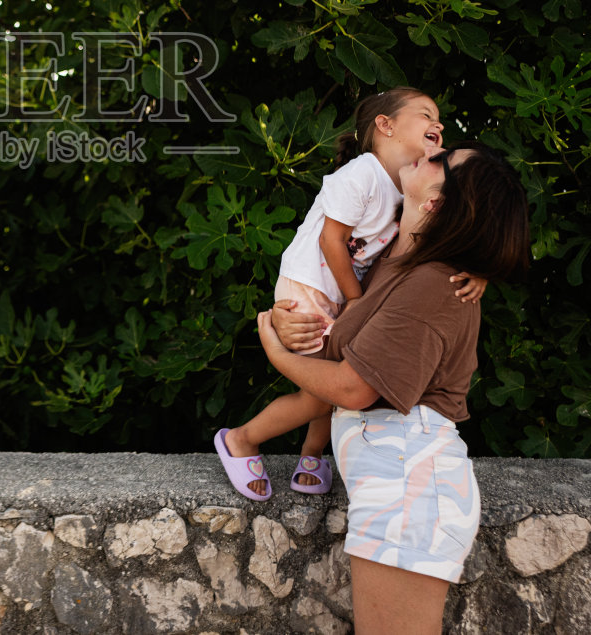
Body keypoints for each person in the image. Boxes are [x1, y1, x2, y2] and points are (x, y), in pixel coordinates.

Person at [258, 142, 530, 635]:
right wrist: (288, 318)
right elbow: (340, 345)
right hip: (399, 480)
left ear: (436, 202)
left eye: (439, 157)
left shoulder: (434, 283)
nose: (426, 149)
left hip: (410, 486)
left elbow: (353, 387)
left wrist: (275, 351)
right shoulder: (392, 265)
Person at [212, 88, 486, 500]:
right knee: (322, 393)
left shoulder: (404, 190)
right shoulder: (362, 173)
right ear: (385, 125)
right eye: (426, 114)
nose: (440, 124)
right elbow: (331, 240)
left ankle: (311, 454)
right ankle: (242, 440)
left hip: (340, 293)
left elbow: (445, 233)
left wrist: (479, 269)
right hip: (311, 286)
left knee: (333, 387)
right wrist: (355, 301)